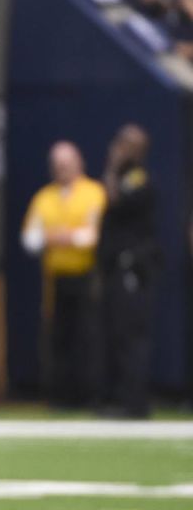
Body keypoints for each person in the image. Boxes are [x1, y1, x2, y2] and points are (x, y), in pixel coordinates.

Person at [21, 140, 107, 408]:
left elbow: (92, 237)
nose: (62, 169)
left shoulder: (94, 193)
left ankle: (90, 395)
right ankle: (60, 397)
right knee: (59, 337)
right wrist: (60, 237)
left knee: (87, 336)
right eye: (57, 165)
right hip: (56, 277)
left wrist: (59, 236)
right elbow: (30, 239)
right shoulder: (44, 197)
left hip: (86, 275)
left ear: (79, 163)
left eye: (67, 164)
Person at [98, 124, 159, 418]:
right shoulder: (127, 177)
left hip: (131, 267)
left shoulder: (136, 178)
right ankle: (120, 398)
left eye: (123, 144)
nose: (117, 148)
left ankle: (134, 403)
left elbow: (115, 199)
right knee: (117, 334)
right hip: (116, 268)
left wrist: (111, 168)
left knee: (130, 335)